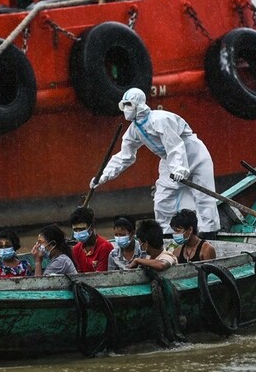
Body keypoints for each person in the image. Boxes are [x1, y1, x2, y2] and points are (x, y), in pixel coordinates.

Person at [91, 87, 220, 238]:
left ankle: (209, 234)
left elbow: (175, 145)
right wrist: (103, 175)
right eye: (123, 105)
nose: (125, 109)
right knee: (162, 198)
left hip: (193, 153)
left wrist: (179, 167)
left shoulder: (160, 120)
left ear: (138, 105)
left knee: (203, 195)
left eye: (128, 104)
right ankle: (166, 235)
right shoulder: (134, 130)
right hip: (167, 159)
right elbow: (125, 156)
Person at [69, 207, 113, 273]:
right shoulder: (76, 249)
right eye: (75, 230)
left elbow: (101, 276)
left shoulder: (105, 247)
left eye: (82, 229)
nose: (78, 232)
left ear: (92, 227)